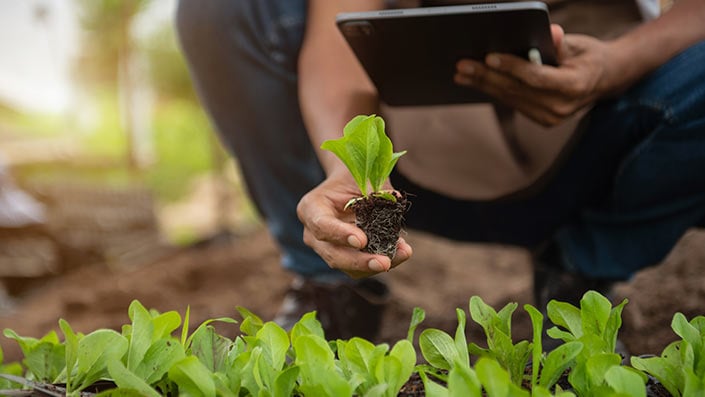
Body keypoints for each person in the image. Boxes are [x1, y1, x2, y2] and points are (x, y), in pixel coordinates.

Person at [175, 0, 705, 341]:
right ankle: (333, 284)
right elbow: (336, 41)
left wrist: (612, 67)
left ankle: (584, 269)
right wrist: (350, 172)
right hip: (421, 163)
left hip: (601, 147)